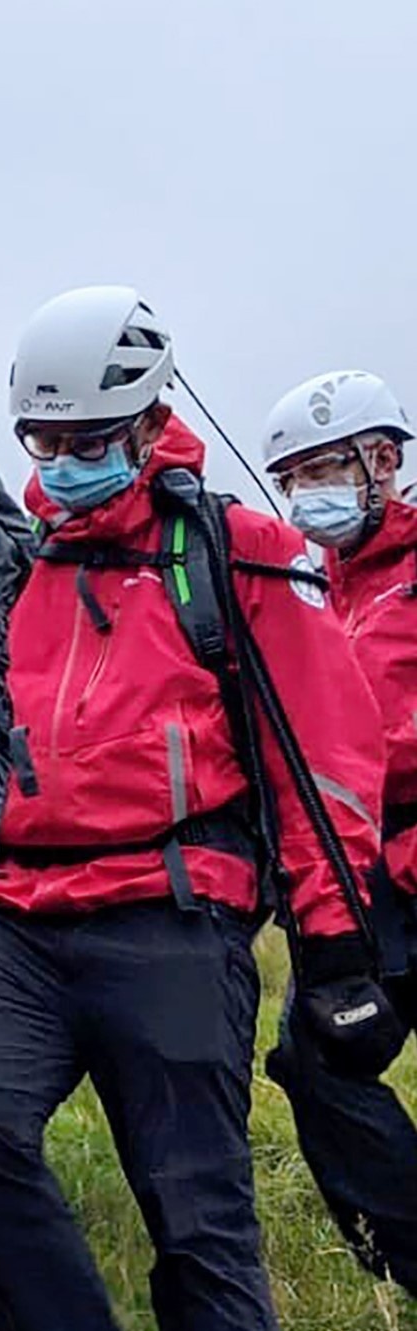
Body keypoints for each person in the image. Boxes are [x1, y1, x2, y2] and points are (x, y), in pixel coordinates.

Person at [0, 289, 395, 1331]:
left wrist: (334, 946)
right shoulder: (13, 570)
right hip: (16, 917)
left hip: (173, 911)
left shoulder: (238, 553)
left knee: (196, 1214)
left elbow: (324, 758)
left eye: (84, 438)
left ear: (144, 419)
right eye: (41, 438)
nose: (59, 457)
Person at [261, 368, 417, 1293]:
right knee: (315, 1058)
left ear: (383, 459)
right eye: (290, 479)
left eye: (318, 469)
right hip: (363, 875)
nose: (301, 496)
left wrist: (346, 752)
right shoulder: (308, 583)